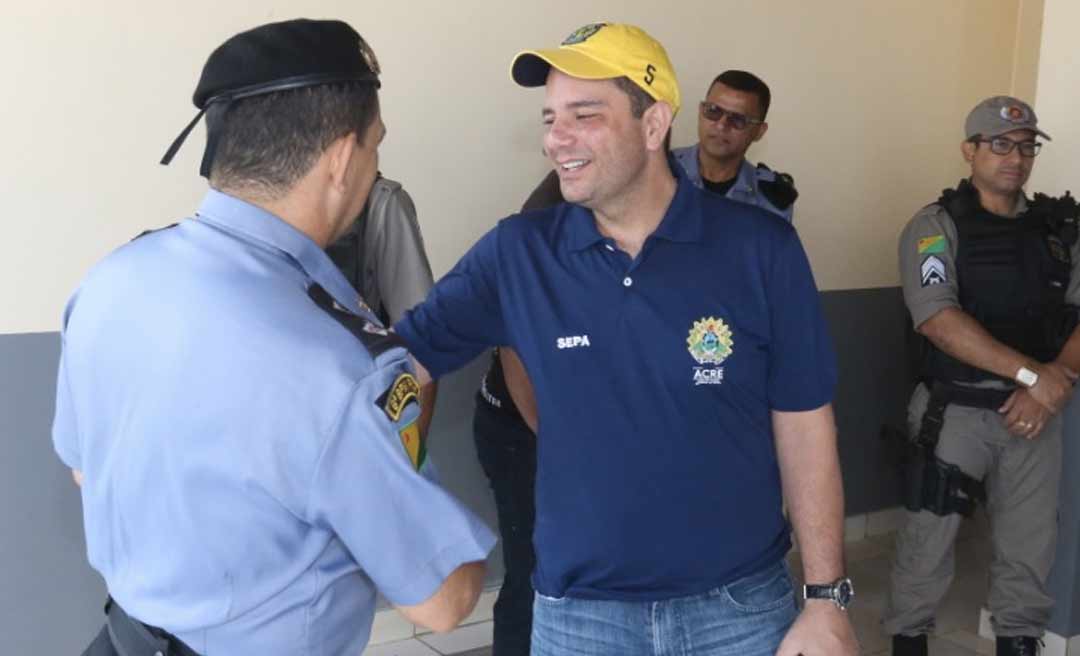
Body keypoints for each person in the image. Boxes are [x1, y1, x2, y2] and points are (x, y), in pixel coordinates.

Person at [396, 22, 858, 656]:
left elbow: (805, 423)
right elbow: (399, 363)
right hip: (581, 615)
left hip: (740, 608)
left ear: (653, 125)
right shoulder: (519, 252)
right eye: (550, 117)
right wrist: (401, 503)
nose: (557, 138)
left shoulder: (761, 250)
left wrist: (826, 598)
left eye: (584, 115)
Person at [51, 19, 494, 656]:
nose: (374, 168)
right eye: (375, 146)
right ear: (342, 159)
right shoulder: (340, 363)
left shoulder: (114, 278)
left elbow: (82, 470)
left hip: (120, 641)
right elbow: (443, 601)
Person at [884, 96, 1080, 656]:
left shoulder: (1061, 231)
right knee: (929, 538)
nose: (1014, 157)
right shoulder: (934, 225)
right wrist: (1030, 374)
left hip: (1035, 417)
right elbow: (938, 320)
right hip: (956, 412)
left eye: (1025, 146)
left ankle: (1018, 643)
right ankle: (908, 640)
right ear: (969, 150)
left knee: (1029, 546)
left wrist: (1054, 382)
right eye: (999, 144)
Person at [472, 169, 560, 656]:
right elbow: (518, 365)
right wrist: (561, 452)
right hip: (516, 432)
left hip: (559, 432)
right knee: (531, 569)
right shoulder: (533, 242)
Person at [327, 174, 439, 438]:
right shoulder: (259, 210)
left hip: (362, 416)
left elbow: (422, 340)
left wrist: (411, 460)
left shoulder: (380, 203)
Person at [672, 70, 797, 221]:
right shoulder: (661, 169)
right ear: (700, 111)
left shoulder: (771, 199)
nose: (721, 125)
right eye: (713, 111)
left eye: (738, 119)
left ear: (759, 131)